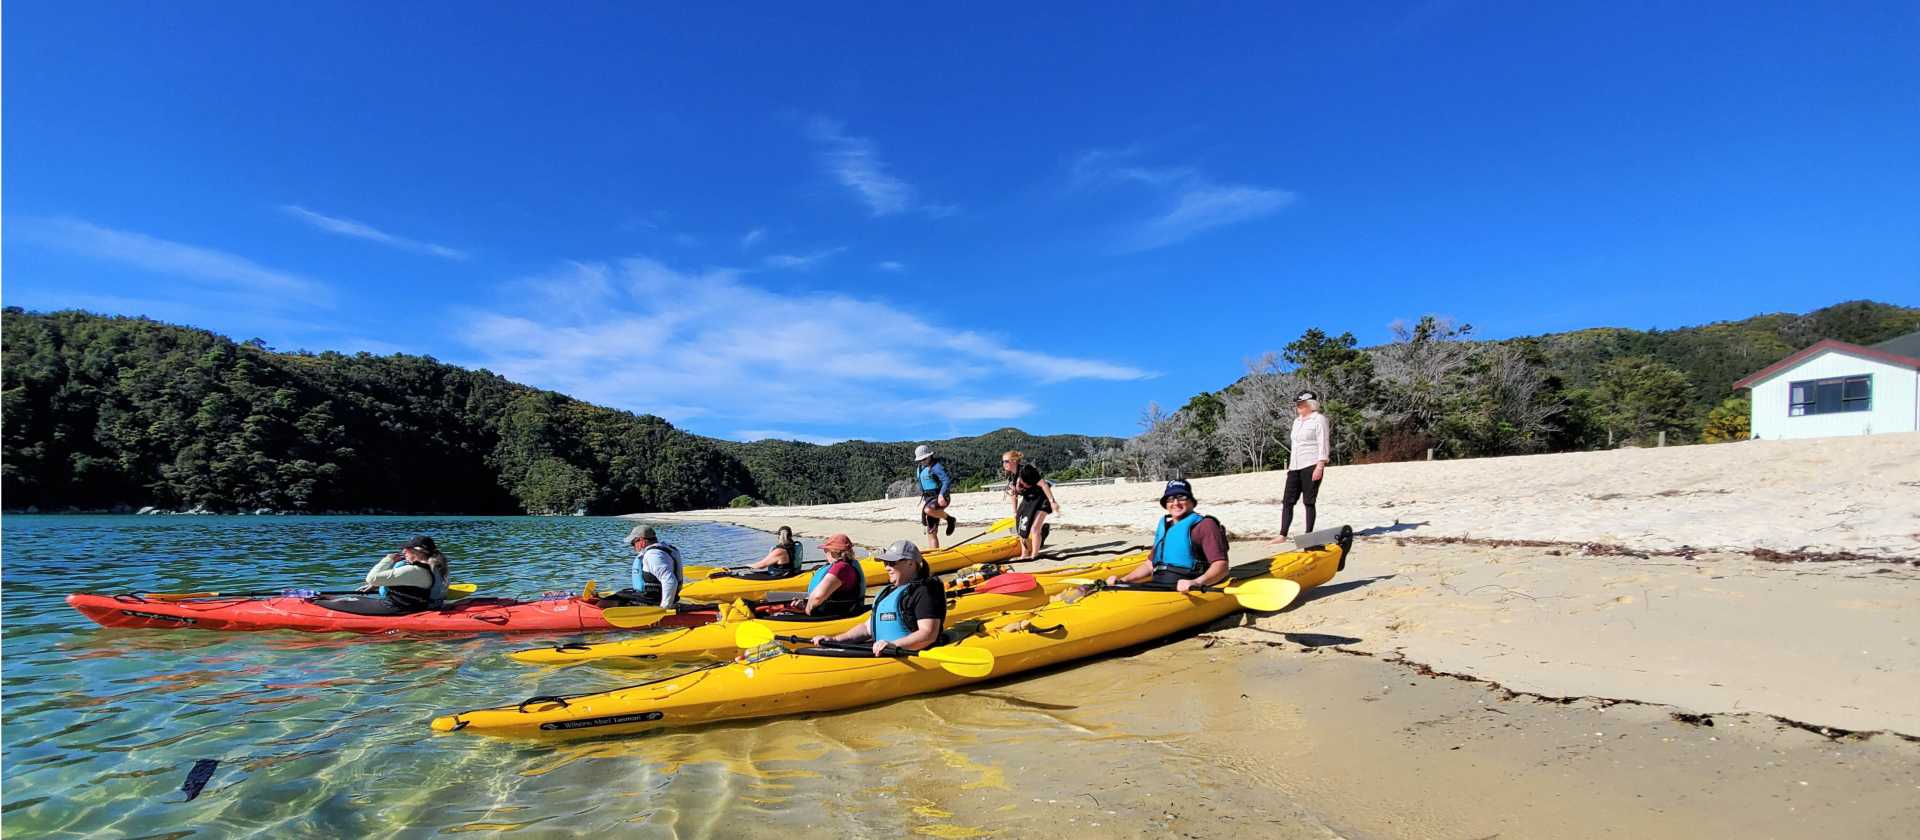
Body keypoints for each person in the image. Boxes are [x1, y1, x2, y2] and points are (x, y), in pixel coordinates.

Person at [811, 540, 946, 655]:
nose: (886, 567)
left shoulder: (925, 591)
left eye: (892, 563)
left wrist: (893, 645)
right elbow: (866, 628)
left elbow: (928, 634)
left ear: (910, 563)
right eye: (885, 563)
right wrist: (835, 640)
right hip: (884, 650)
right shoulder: (890, 591)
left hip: (906, 653)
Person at [1106, 480, 1229, 594]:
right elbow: (1149, 565)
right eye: (1170, 499)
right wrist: (1123, 580)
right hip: (1160, 583)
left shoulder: (1205, 525)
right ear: (1166, 505)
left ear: (1192, 502)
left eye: (1182, 497)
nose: (1175, 503)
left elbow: (1221, 566)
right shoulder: (1166, 527)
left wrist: (1197, 582)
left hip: (1187, 585)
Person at [1274, 391, 1331, 541]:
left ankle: (1308, 534)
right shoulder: (1297, 421)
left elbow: (1323, 442)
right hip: (1295, 466)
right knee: (1288, 501)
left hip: (1311, 464)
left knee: (1309, 501)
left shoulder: (1319, 419)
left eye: (1301, 404)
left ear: (1310, 405)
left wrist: (1320, 465)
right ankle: (1282, 534)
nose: (1298, 406)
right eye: (1297, 404)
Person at [349, 535, 451, 614]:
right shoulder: (439, 566)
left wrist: (388, 560)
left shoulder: (414, 570)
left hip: (405, 609)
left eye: (407, 549)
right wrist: (378, 584)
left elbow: (371, 578)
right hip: (428, 605)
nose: (403, 552)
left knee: (340, 603)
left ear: (417, 552)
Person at [1002, 450, 1060, 561]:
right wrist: (1015, 512)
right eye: (1003, 462)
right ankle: (1024, 554)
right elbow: (1013, 495)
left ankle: (1034, 555)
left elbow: (1043, 484)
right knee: (1021, 527)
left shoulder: (1027, 470)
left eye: (1006, 461)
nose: (1004, 464)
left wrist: (1052, 502)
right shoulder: (1011, 476)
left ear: (1014, 461)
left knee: (1034, 528)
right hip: (1029, 499)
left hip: (1042, 498)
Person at [798, 533, 866, 617]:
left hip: (836, 615)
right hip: (847, 610)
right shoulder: (849, 564)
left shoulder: (840, 568)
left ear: (833, 551)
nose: (824, 552)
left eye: (825, 549)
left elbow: (817, 598)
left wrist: (806, 610)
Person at [627, 525, 684, 608]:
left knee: (605, 602)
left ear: (642, 540)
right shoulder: (666, 548)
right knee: (623, 593)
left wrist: (665, 607)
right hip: (659, 596)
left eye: (633, 543)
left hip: (653, 600)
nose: (633, 547)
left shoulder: (653, 555)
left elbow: (670, 581)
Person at [912, 444, 956, 549]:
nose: (922, 461)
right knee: (931, 531)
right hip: (929, 499)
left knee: (928, 510)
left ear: (930, 456)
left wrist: (941, 495)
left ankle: (950, 519)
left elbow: (946, 481)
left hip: (940, 497)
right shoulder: (920, 468)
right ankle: (934, 552)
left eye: (924, 459)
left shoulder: (936, 467)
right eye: (920, 460)